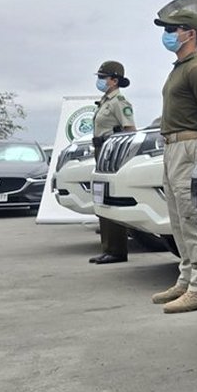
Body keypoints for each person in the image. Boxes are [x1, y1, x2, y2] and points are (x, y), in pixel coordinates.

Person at [149, 9, 197, 314]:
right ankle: (187, 279)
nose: (167, 34)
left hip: (189, 146)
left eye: (172, 29)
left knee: (192, 219)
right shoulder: (179, 67)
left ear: (190, 33)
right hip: (172, 148)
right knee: (178, 219)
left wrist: (195, 146)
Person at [89, 60, 136, 265]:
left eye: (103, 77)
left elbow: (129, 130)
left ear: (114, 80)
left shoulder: (119, 101)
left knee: (111, 197)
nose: (100, 81)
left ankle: (117, 249)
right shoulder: (105, 100)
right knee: (101, 197)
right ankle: (108, 247)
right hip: (101, 150)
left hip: (111, 153)